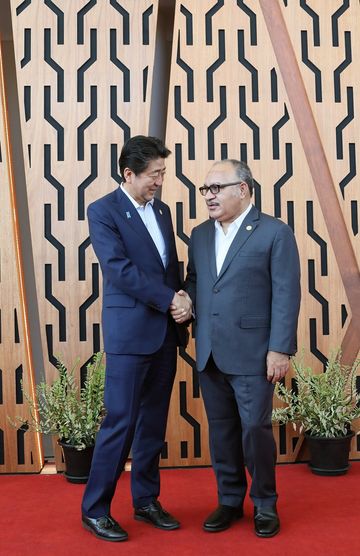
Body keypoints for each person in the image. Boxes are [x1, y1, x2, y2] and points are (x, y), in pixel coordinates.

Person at [176, 159, 300, 538]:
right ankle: (229, 500)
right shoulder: (198, 235)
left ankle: (264, 503)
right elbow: (197, 282)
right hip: (211, 351)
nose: (208, 196)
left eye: (216, 188)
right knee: (222, 432)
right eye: (205, 190)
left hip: (254, 353)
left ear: (243, 189)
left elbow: (286, 293)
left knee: (255, 430)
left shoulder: (274, 232)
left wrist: (279, 349)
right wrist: (186, 299)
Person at [81, 135, 192, 542]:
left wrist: (183, 301)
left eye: (163, 172)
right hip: (130, 334)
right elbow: (119, 270)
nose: (160, 181)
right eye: (153, 174)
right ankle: (94, 510)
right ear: (128, 173)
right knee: (121, 422)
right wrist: (169, 300)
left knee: (152, 425)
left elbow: (169, 265)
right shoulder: (103, 210)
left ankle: (145, 500)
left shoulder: (160, 210)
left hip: (164, 332)